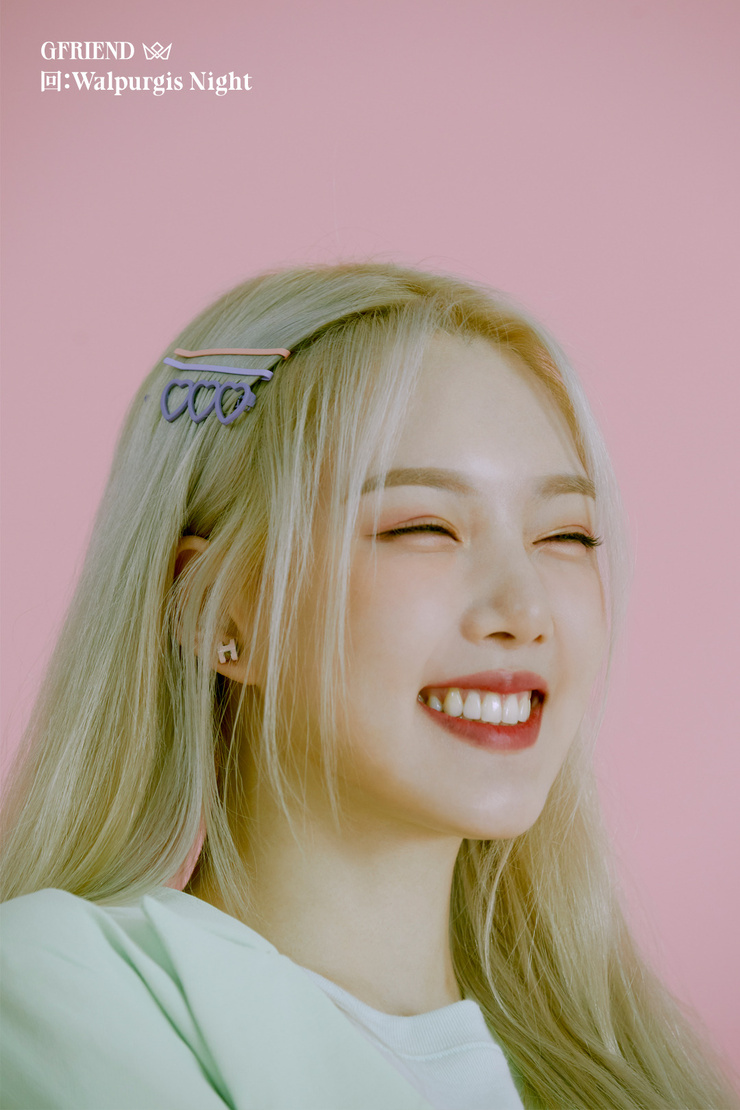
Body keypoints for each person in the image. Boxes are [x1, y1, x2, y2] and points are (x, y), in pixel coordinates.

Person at [0, 263, 735, 1110]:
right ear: (215, 609)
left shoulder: (635, 1074)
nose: (526, 610)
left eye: (567, 536)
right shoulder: (63, 982)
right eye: (424, 526)